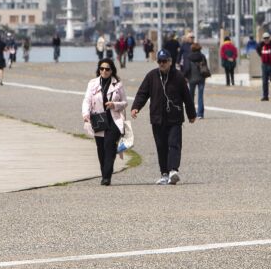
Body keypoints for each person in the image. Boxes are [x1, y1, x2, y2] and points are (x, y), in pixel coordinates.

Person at [131, 49, 196, 185]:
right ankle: (164, 173)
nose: (162, 64)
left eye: (164, 61)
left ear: (170, 62)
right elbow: (142, 93)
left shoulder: (178, 77)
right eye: (159, 61)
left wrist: (191, 114)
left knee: (174, 144)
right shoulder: (151, 76)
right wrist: (136, 107)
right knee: (161, 146)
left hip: (174, 118)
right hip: (157, 118)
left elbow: (187, 97)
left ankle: (173, 170)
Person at [82, 57, 126, 185]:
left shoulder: (118, 84)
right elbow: (87, 100)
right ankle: (104, 172)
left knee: (109, 146)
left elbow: (125, 103)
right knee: (101, 148)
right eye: (102, 68)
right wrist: (85, 114)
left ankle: (107, 176)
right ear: (99, 70)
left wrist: (114, 105)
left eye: (107, 69)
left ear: (112, 71)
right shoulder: (92, 83)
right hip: (99, 119)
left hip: (113, 120)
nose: (104, 71)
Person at [180, 42, 209, 119]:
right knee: (200, 96)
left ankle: (192, 113)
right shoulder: (202, 56)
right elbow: (205, 66)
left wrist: (184, 76)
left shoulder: (188, 57)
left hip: (191, 78)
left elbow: (187, 68)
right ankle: (200, 114)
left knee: (191, 97)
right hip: (201, 78)